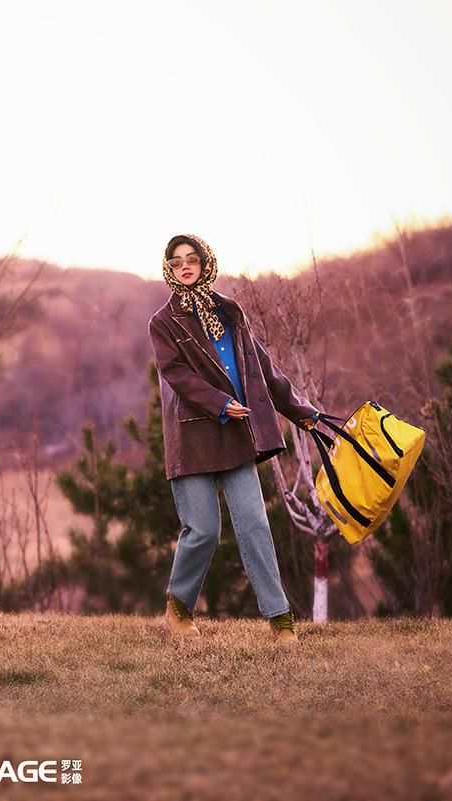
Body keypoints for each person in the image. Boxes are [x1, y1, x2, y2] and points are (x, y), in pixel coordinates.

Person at [148, 233, 320, 645]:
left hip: (236, 436)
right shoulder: (163, 322)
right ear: (169, 270)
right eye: (176, 262)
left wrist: (301, 411)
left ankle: (280, 619)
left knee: (255, 524)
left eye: (191, 259)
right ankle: (178, 608)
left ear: (205, 261)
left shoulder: (229, 311)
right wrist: (221, 403)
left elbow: (261, 366)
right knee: (203, 530)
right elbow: (177, 375)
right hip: (193, 437)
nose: (184, 267)